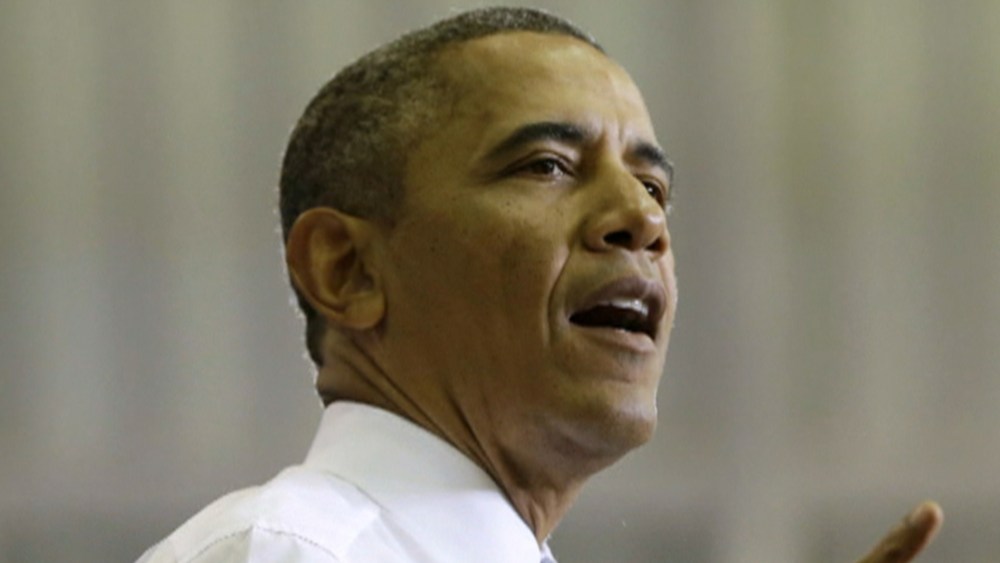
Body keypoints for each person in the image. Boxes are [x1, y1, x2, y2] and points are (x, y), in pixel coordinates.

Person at [138, 7, 942, 562]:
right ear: (345, 268)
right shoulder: (291, 551)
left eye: (654, 187)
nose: (642, 219)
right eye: (548, 165)